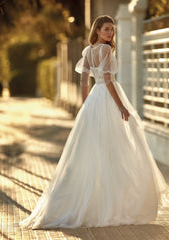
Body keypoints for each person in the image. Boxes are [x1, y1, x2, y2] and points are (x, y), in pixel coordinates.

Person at [20, 15, 167, 229]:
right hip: (109, 97)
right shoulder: (105, 50)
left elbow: (84, 81)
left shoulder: (88, 51)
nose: (110, 33)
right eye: (106, 29)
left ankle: (98, 201)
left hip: (94, 100)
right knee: (119, 147)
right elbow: (108, 81)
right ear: (97, 30)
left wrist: (86, 105)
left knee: (95, 150)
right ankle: (113, 204)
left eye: (112, 30)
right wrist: (121, 107)